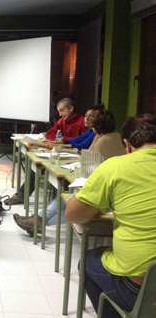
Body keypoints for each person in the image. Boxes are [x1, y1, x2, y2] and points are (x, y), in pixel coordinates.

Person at [65, 114, 156, 317]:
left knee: (87, 262)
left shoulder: (115, 167)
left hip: (142, 291)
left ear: (128, 145)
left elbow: (73, 215)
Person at [14, 107, 125, 235]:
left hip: (105, 191)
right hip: (102, 185)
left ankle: (39, 220)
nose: (87, 121)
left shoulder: (104, 140)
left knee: (69, 201)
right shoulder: (109, 136)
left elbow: (90, 159)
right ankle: (38, 219)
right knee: (66, 198)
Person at [7, 98, 88, 205]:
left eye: (62, 110)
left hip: (75, 158)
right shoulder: (61, 121)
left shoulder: (83, 122)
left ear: (71, 108)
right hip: (62, 152)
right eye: (59, 111)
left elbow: (81, 143)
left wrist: (62, 140)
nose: (60, 114)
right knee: (37, 167)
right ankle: (22, 195)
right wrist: (60, 140)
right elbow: (49, 134)